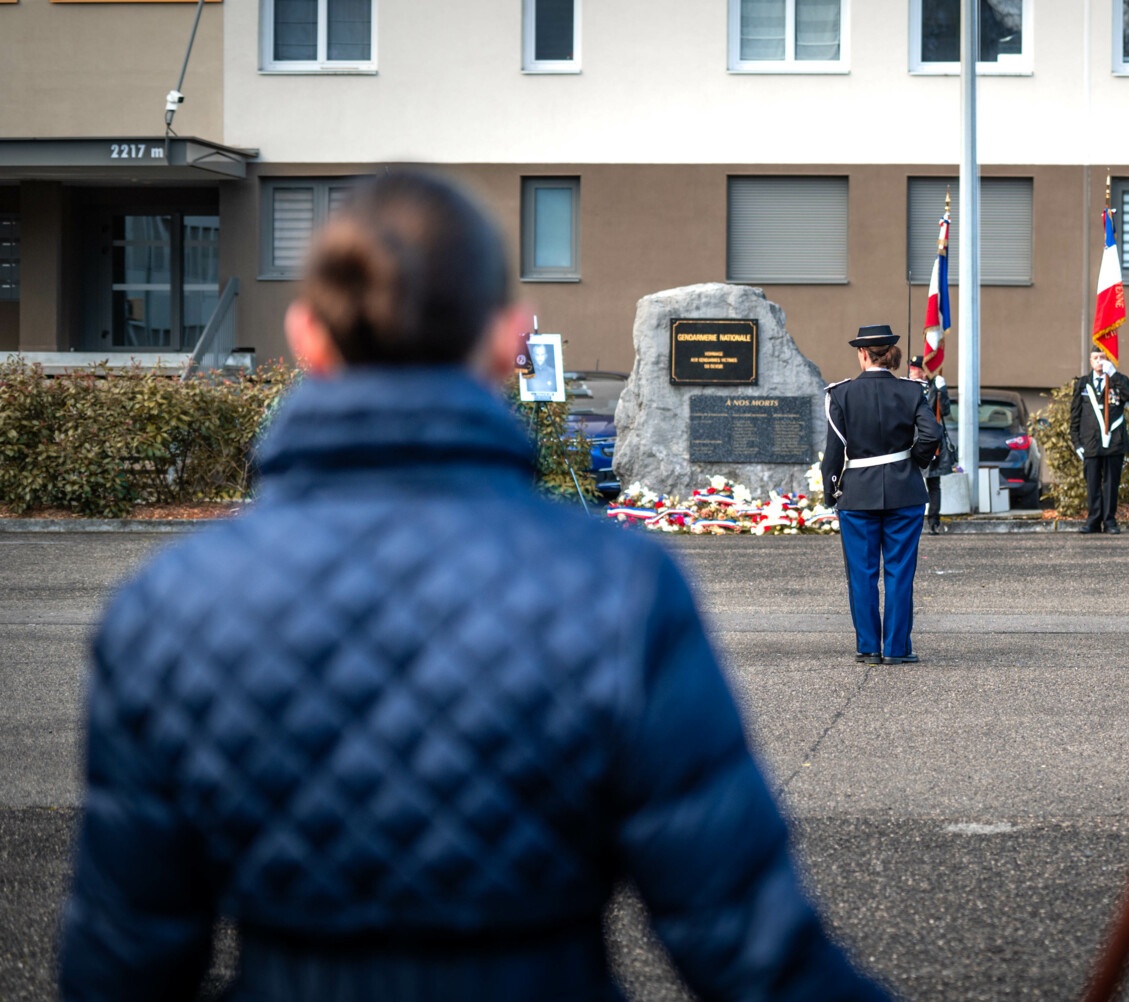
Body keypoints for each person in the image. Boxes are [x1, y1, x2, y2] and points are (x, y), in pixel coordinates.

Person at [60, 172, 891, 1002]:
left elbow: (120, 960)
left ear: (307, 338)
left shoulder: (166, 606)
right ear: (508, 339)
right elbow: (751, 948)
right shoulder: (619, 591)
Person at [820, 325, 942, 665]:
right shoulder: (912, 390)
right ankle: (896, 649)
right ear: (890, 356)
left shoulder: (840, 394)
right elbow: (932, 435)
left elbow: (833, 453)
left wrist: (832, 492)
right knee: (900, 572)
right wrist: (912, 463)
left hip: (857, 494)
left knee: (862, 573)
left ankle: (869, 647)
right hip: (905, 492)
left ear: (862, 354)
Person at [1070, 348, 1129, 534]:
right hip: (1090, 443)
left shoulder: (1117, 381)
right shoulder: (1083, 384)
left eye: (1102, 357)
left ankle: (1109, 521)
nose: (1099, 361)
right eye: (1095, 358)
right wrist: (1077, 444)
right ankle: (1093, 520)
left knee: (1111, 483)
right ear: (1090, 361)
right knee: (1092, 484)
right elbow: (1075, 416)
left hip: (1113, 442)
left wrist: (1113, 373)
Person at [908, 355, 954, 535]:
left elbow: (946, 411)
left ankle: (934, 521)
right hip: (912, 439)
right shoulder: (908, 387)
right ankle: (913, 520)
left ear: (923, 370)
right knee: (912, 482)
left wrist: (942, 392)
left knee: (934, 483)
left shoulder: (935, 387)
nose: (911, 372)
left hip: (932, 441)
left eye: (914, 369)